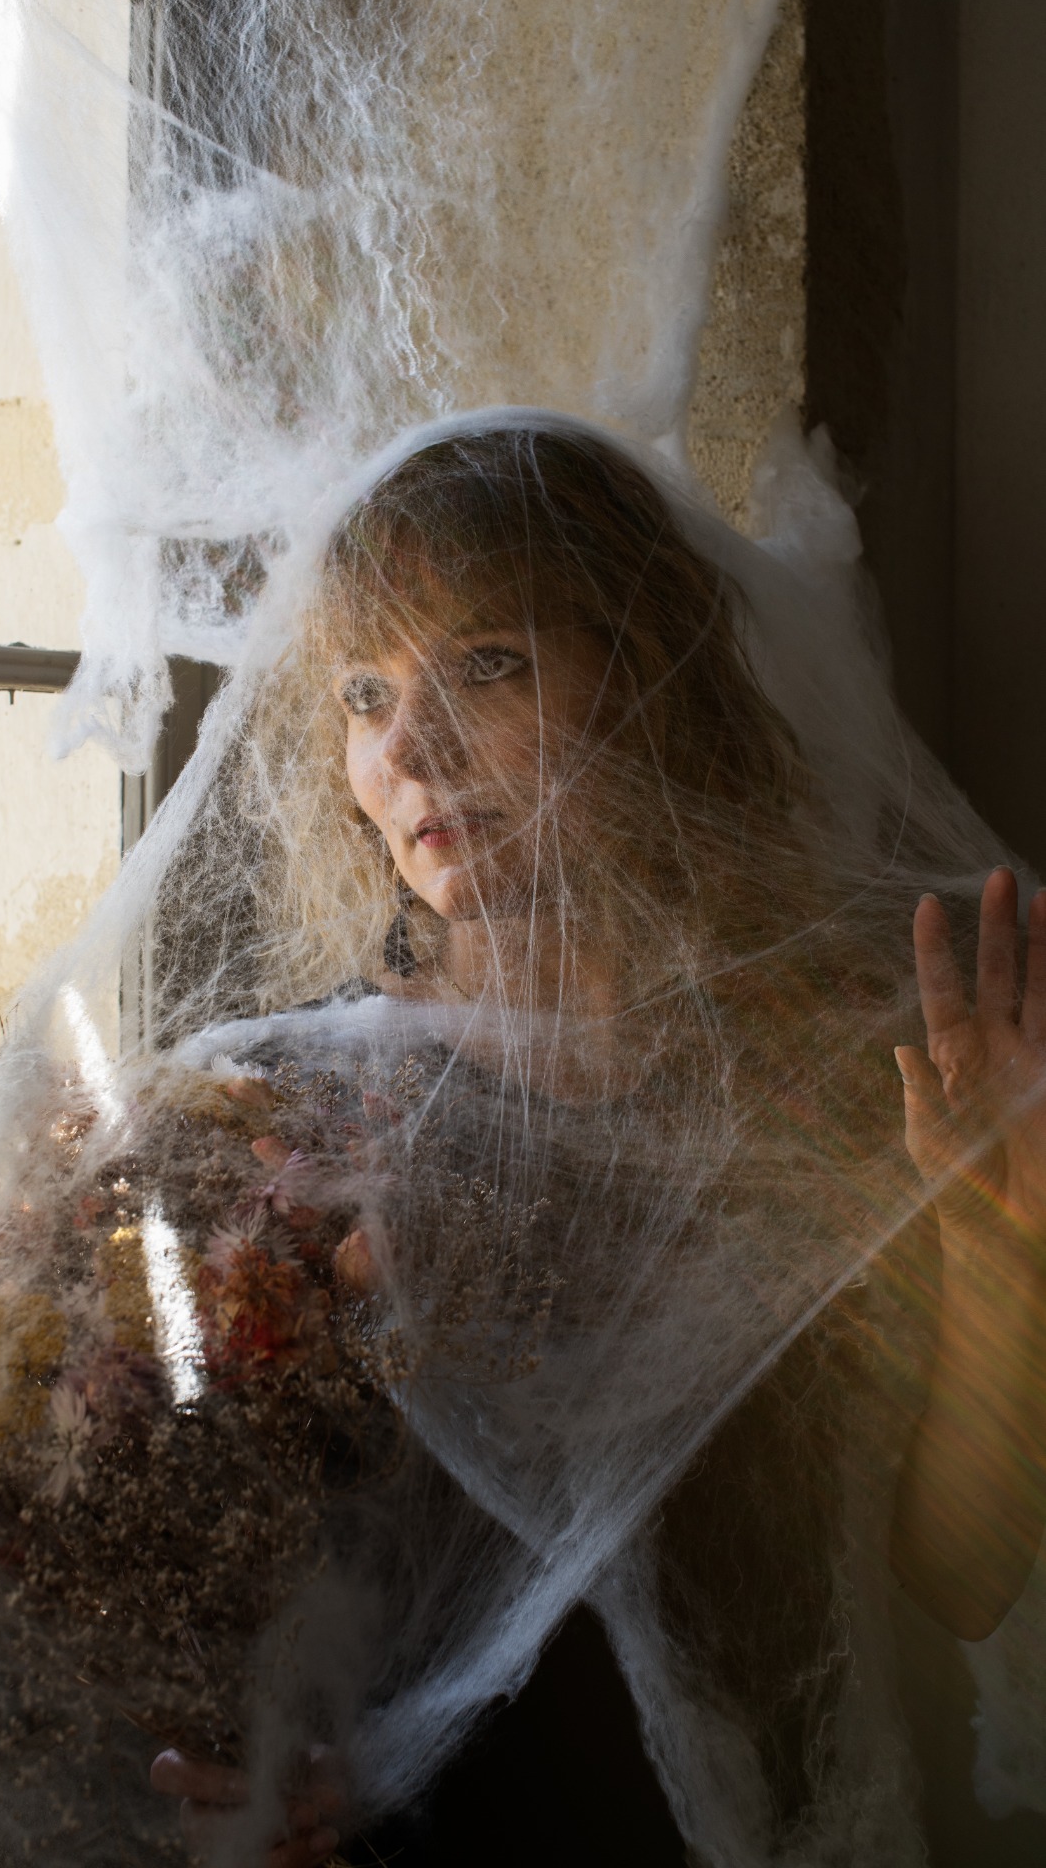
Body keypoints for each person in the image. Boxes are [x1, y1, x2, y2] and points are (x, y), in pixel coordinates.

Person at [151, 420, 1046, 1864]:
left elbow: (958, 1577)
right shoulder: (288, 1116)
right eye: (365, 693)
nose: (408, 750)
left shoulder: (839, 1082)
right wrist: (241, 1763)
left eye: (485, 664)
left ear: (648, 678)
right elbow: (185, 1565)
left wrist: (1005, 1238)